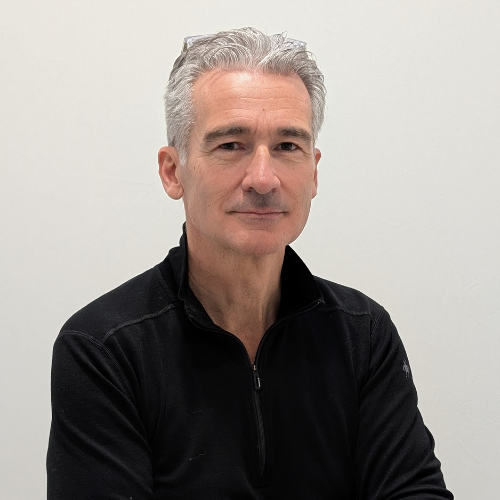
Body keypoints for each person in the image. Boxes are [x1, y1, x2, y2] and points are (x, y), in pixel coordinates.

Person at [47, 27, 453, 499]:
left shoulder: (362, 334)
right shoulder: (104, 348)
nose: (263, 179)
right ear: (173, 171)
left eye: (287, 147)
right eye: (231, 145)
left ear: (314, 171)